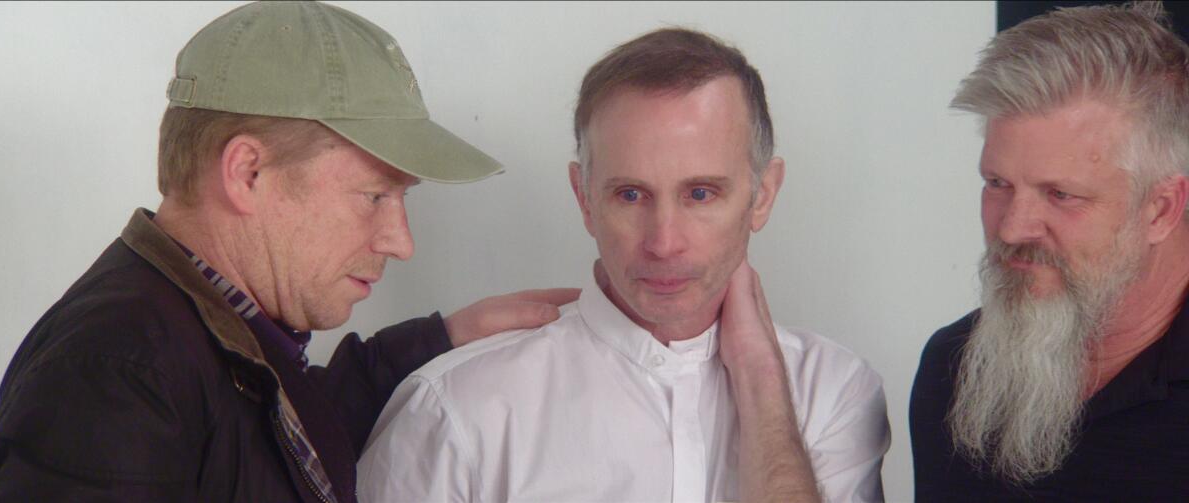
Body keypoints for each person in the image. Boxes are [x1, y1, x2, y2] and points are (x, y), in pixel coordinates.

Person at [0, 2, 576, 502]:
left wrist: (442, 338)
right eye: (374, 195)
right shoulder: (116, 373)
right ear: (248, 172)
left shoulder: (197, 333)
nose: (402, 241)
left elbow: (266, 441)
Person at [358, 28, 890, 503]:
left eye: (700, 193)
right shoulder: (455, 410)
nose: (664, 243)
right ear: (584, 198)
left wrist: (760, 380)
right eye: (631, 194)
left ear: (763, 195)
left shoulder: (833, 392)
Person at [910, 2, 1189, 501]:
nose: (1014, 229)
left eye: (1062, 195)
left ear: (1162, 208)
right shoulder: (953, 369)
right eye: (997, 183)